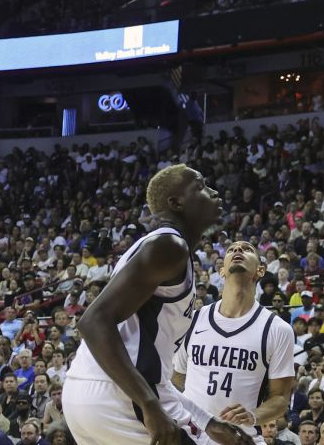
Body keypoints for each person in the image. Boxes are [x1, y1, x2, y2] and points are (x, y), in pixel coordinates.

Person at [64, 164, 253, 445]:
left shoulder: (165, 248)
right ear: (176, 202)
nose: (213, 192)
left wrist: (207, 422)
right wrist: (149, 405)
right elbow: (92, 322)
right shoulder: (169, 246)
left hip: (95, 393)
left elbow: (153, 374)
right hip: (121, 397)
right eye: (201, 186)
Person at [173, 240, 297, 444]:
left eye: (247, 249)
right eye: (231, 249)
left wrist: (253, 415)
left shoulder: (277, 329)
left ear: (260, 270)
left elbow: (281, 399)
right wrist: (201, 408)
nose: (238, 250)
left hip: (240, 437)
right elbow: (178, 376)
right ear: (221, 271)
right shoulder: (193, 320)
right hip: (192, 434)